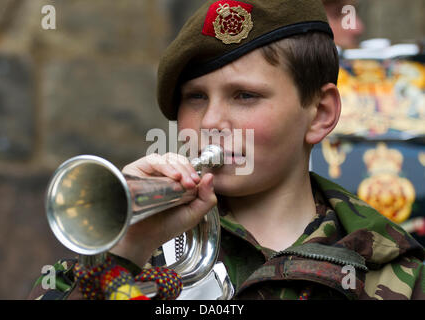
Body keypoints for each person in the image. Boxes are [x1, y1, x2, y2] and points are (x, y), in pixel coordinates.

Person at [29, 0, 424, 300]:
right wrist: (124, 255)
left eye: (245, 95)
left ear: (320, 113)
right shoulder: (134, 251)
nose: (211, 122)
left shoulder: (392, 267)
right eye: (195, 97)